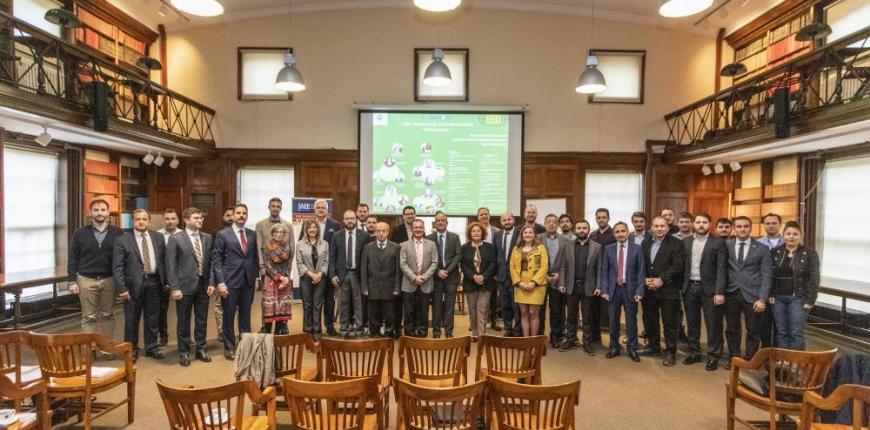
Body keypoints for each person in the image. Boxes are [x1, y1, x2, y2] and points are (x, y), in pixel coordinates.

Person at [68, 199, 124, 349]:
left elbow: (122, 258)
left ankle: (107, 347)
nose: (100, 213)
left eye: (103, 210)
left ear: (108, 212)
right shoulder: (80, 233)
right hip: (86, 280)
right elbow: (73, 258)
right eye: (96, 210)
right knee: (88, 316)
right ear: (91, 212)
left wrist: (122, 283)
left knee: (108, 315)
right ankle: (89, 349)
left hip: (109, 279)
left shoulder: (118, 233)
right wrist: (72, 281)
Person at [113, 209, 166, 361]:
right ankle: (131, 349)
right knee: (131, 320)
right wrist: (122, 288)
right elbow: (117, 267)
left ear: (149, 221)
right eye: (138, 219)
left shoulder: (158, 237)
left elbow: (163, 261)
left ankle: (151, 347)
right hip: (132, 286)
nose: (141, 222)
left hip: (154, 282)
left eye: (144, 219)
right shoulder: (122, 240)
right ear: (132, 221)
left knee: (152, 318)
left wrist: (165, 282)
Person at [166, 207, 215, 367]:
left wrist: (211, 282)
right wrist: (174, 287)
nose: (200, 220)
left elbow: (211, 263)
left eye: (201, 218)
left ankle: (201, 349)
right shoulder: (176, 238)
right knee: (183, 321)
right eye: (196, 218)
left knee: (202, 320)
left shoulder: (207, 238)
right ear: (186, 220)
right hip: (183, 287)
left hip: (203, 285)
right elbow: (170, 265)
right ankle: (184, 351)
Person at [681, 213, 728, 371]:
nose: (701, 225)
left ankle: (713, 356)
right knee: (692, 323)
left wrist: (720, 292)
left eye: (704, 222)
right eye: (698, 222)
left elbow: (722, 269)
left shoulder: (718, 242)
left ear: (710, 224)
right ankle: (694, 352)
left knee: (713, 324)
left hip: (711, 290)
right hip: (689, 287)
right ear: (693, 224)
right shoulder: (686, 242)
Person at [213, 203, 258, 360]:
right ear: (233, 215)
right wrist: (220, 283)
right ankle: (229, 347)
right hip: (229, 282)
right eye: (238, 213)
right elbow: (217, 260)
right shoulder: (223, 234)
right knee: (229, 315)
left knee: (245, 315)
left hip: (248, 282)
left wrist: (256, 278)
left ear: (247, 215)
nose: (241, 215)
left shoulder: (252, 234)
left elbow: (254, 257)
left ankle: (246, 345)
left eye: (244, 213)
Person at [638, 217, 685, 367]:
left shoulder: (677, 243)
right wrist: (645, 279)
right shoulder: (645, 242)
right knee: (650, 319)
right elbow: (642, 263)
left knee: (669, 322)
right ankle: (653, 346)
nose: (659, 229)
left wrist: (661, 280)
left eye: (662, 226)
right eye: (656, 226)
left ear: (667, 228)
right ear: (651, 227)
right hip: (649, 288)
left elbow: (678, 266)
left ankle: (670, 351)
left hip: (668, 289)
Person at [725, 216, 772, 360]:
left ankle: (751, 360)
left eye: (746, 226)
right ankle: (734, 358)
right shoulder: (726, 245)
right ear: (734, 228)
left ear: (751, 228)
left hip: (753, 295)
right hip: (731, 292)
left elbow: (766, 274)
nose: (742, 229)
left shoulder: (762, 248)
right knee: (732, 328)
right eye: (739, 226)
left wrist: (762, 299)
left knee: (753, 329)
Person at [599, 222, 645, 362]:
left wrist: (639, 290)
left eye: (623, 231)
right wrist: (604, 289)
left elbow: (641, 271)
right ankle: (614, 346)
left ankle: (632, 347)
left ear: (627, 232)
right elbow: (604, 270)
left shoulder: (637, 249)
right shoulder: (609, 249)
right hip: (613, 290)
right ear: (614, 234)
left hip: (630, 289)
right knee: (613, 320)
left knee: (631, 320)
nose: (620, 234)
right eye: (617, 232)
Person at [769, 222, 819, 350]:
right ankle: (784, 360)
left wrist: (810, 300)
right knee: (781, 331)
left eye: (795, 234)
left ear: (801, 236)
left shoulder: (810, 253)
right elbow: (770, 275)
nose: (791, 237)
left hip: (798, 298)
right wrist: (771, 294)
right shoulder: (774, 252)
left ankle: (795, 360)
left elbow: (814, 278)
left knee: (796, 332)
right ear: (783, 235)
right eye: (788, 234)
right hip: (778, 299)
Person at [255, 198, 295, 332]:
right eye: (273, 206)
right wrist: (261, 266)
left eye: (278, 206)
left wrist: (287, 273)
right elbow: (258, 246)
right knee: (267, 299)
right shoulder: (260, 225)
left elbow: (292, 248)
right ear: (269, 207)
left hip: (284, 269)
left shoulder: (288, 225)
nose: (275, 208)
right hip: (267, 269)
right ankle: (265, 326)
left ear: (281, 208)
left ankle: (282, 325)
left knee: (283, 299)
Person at [562, 220, 601, 354]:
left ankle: (587, 342)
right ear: (575, 230)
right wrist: (562, 283)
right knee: (571, 316)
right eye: (579, 228)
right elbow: (563, 266)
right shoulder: (568, 246)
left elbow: (599, 269)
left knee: (587, 317)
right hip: (571, 285)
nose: (582, 230)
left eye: (584, 228)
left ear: (588, 230)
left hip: (589, 286)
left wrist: (599, 285)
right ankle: (571, 339)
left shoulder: (597, 247)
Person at [329, 210, 369, 337]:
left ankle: (359, 328)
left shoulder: (364, 235)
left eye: (352, 218)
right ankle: (344, 328)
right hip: (342, 275)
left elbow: (367, 257)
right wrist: (332, 274)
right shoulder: (336, 236)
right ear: (343, 220)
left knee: (358, 304)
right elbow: (332, 257)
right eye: (347, 218)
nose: (350, 221)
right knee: (343, 303)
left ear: (356, 219)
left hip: (358, 274)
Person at [361, 222, 401, 338]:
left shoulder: (395, 247)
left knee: (390, 313)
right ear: (375, 232)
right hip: (372, 286)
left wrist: (397, 287)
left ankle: (389, 333)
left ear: (388, 232)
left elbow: (398, 270)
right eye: (379, 231)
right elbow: (363, 269)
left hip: (389, 286)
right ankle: (374, 333)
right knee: (373, 313)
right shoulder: (367, 247)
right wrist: (364, 287)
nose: (381, 233)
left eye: (384, 231)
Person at [399, 219, 438, 337]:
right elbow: (403, 264)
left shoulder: (431, 244)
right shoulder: (404, 245)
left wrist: (424, 277)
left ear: (424, 229)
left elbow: (434, 262)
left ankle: (422, 333)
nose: (418, 229)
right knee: (408, 311)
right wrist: (414, 278)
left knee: (423, 312)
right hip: (409, 283)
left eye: (420, 227)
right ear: (412, 229)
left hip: (426, 283)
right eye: (415, 227)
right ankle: (409, 334)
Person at [426, 212, 462, 338]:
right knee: (436, 305)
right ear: (435, 223)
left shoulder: (455, 237)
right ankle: (436, 331)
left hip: (451, 277)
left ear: (447, 223)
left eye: (443, 220)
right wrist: (438, 271)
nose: (440, 222)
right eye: (438, 220)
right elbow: (428, 258)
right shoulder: (429, 238)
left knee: (449, 306)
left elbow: (458, 255)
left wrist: (447, 270)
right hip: (435, 277)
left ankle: (448, 331)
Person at [539, 214, 572, 348]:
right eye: (548, 222)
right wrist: (544, 275)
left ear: (558, 224)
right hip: (541, 279)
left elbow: (568, 260)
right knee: (540, 310)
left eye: (554, 222)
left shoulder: (566, 240)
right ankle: (539, 337)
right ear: (545, 224)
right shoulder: (538, 238)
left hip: (558, 279)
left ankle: (555, 337)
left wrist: (560, 275)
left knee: (556, 310)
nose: (551, 224)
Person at [460, 222, 497, 342]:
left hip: (486, 283)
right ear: (470, 233)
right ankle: (474, 333)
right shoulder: (464, 247)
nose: (476, 233)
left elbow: (493, 264)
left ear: (483, 233)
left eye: (478, 231)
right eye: (473, 231)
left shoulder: (490, 247)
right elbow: (463, 265)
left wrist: (483, 276)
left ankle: (482, 334)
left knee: (482, 308)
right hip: (470, 282)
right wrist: (473, 276)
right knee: (472, 309)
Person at [510, 225, 548, 337]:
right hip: (520, 285)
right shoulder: (516, 249)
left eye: (530, 232)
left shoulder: (541, 248)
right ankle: (526, 339)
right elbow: (512, 267)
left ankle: (533, 340)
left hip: (537, 286)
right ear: (522, 235)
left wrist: (534, 282)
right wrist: (519, 282)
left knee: (533, 313)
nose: (528, 235)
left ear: (534, 235)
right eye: (525, 232)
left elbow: (544, 267)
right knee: (523, 313)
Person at [296, 220, 329, 340]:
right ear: (306, 229)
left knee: (318, 305)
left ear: (317, 229)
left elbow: (326, 261)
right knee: (307, 305)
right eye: (309, 227)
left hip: (320, 278)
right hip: (306, 278)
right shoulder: (300, 244)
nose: (312, 229)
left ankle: (317, 330)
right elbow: (299, 263)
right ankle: (307, 331)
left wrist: (319, 274)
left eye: (314, 227)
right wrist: (311, 275)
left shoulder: (324, 244)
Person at [314, 198, 342, 336]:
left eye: (323, 207)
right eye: (318, 208)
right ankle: (315, 327)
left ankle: (329, 325)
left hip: (330, 269)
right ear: (315, 210)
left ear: (327, 210)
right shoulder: (309, 224)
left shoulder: (335, 225)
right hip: (314, 270)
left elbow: (340, 247)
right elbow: (302, 242)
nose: (321, 210)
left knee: (329, 300)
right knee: (315, 301)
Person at [259, 223, 294, 335]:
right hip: (271, 281)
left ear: (284, 234)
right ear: (272, 234)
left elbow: (289, 264)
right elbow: (268, 266)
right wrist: (280, 277)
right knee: (269, 311)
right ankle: (268, 337)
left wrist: (286, 278)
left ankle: (277, 336)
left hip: (284, 282)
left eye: (281, 232)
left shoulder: (288, 248)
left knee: (281, 311)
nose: (279, 234)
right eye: (276, 232)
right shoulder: (266, 247)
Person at [588, 207, 614, 341]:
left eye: (604, 217)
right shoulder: (592, 235)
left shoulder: (614, 234)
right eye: (599, 217)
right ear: (596, 219)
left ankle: (612, 338)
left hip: (610, 274)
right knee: (594, 306)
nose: (601, 220)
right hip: (594, 275)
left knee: (609, 307)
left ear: (608, 218)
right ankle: (595, 335)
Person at [493, 213, 521, 337]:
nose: (507, 222)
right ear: (501, 222)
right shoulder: (497, 235)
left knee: (517, 305)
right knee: (505, 305)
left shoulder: (520, 233)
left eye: (509, 219)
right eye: (504, 220)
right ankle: (508, 328)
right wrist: (495, 275)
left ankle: (518, 330)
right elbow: (495, 254)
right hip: (501, 276)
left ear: (513, 220)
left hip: (516, 276)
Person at [157, 208, 180, 347]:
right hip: (162, 278)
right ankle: (163, 336)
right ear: (163, 220)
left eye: (173, 218)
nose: (170, 221)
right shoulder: (157, 235)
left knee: (183, 310)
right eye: (167, 219)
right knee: (161, 309)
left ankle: (184, 337)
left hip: (180, 277)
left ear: (178, 220)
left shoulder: (184, 235)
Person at [210, 207, 234, 345]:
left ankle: (232, 331)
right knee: (219, 305)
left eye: (232, 215)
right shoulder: (216, 233)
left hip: (236, 274)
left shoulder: (240, 233)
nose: (230, 218)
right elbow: (214, 257)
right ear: (223, 217)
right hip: (221, 275)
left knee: (235, 305)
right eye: (227, 215)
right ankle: (220, 331)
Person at [477, 207, 502, 331]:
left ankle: (493, 321)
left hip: (493, 268)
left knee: (493, 297)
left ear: (489, 216)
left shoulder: (497, 231)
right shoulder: (475, 230)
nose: (484, 216)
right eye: (481, 214)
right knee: (478, 297)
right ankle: (478, 322)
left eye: (486, 214)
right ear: (478, 217)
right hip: (478, 268)